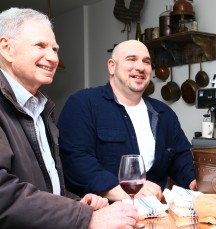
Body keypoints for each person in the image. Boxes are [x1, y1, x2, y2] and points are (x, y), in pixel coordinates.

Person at [0, 7, 138, 229]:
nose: (53, 58)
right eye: (41, 46)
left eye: (55, 49)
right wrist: (84, 217)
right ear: (6, 48)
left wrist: (76, 203)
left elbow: (46, 188)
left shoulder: (41, 108)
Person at [57, 39, 197, 202]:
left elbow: (181, 156)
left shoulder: (164, 113)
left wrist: (193, 180)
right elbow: (74, 160)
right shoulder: (83, 103)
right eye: (131, 59)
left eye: (146, 62)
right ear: (112, 66)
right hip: (103, 214)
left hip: (155, 212)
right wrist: (122, 190)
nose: (140, 67)